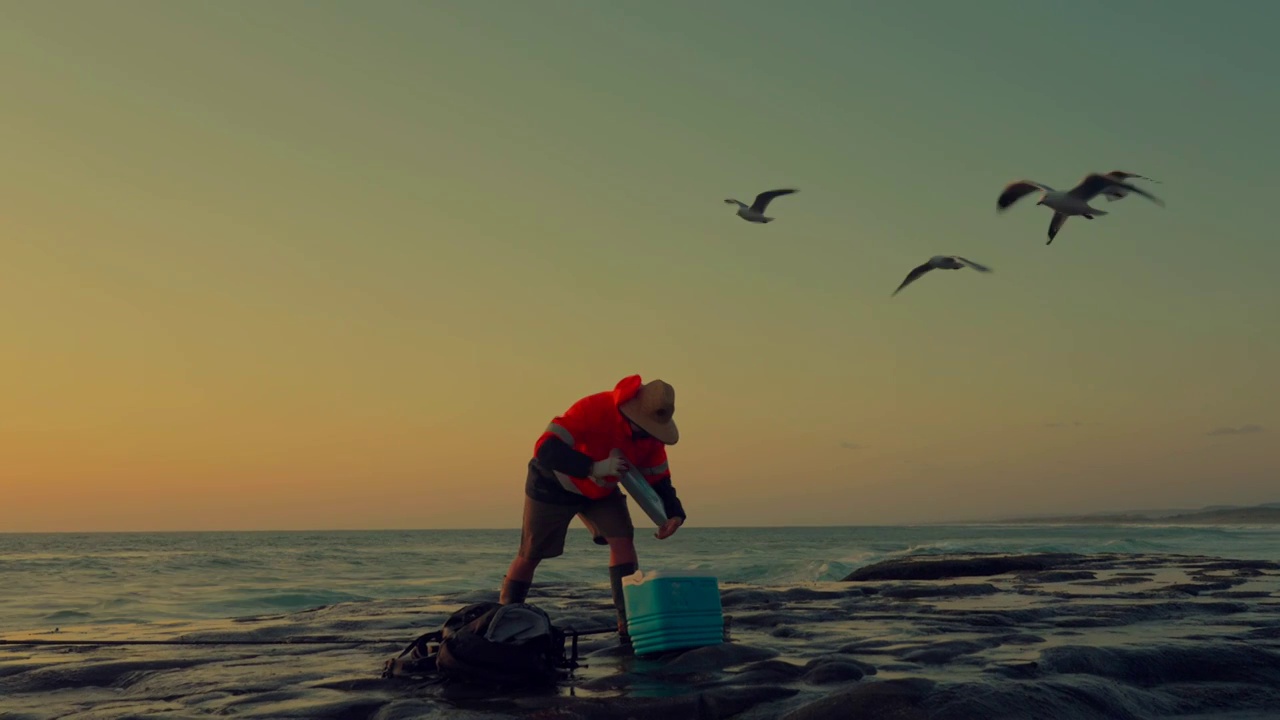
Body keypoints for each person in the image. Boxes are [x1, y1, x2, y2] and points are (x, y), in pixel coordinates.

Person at [498, 374, 687, 644]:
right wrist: (592, 467)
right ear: (629, 413)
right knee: (531, 553)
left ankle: (627, 620)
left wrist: (675, 515)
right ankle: (504, 615)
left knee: (622, 539)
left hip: (600, 491)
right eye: (643, 428)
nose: (646, 435)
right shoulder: (592, 409)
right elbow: (545, 449)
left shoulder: (651, 439)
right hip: (553, 482)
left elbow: (660, 481)